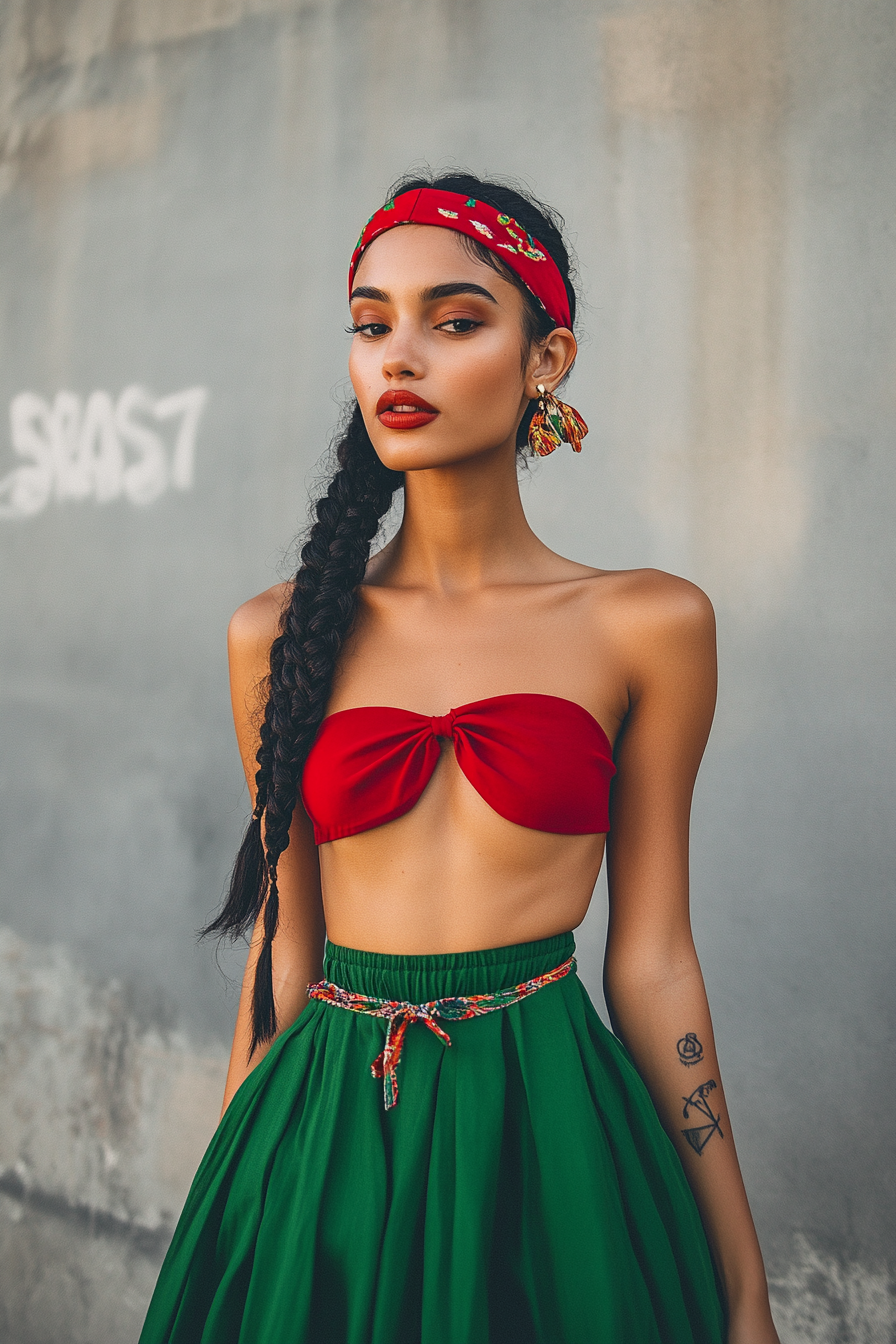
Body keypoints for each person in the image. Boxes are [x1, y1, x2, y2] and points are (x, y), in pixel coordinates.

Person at [139, 172, 780, 1344]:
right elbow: (286, 955)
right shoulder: (277, 635)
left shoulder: (648, 625)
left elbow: (652, 963)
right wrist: (229, 1213)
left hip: (547, 1129)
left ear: (547, 357)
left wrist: (742, 1289)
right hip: (326, 1129)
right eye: (372, 325)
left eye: (454, 319)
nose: (400, 358)